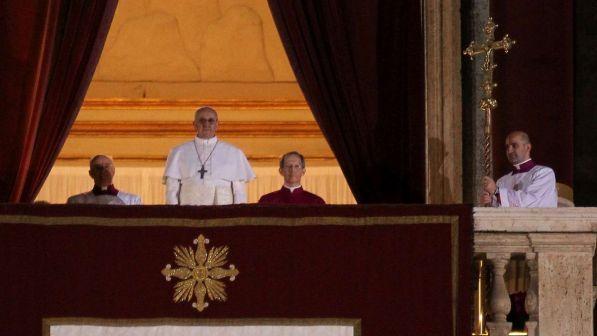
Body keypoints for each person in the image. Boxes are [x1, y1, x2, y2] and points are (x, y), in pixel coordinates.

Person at [163, 106, 255, 205]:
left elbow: (239, 193)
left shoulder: (234, 153)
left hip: (224, 214)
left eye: (211, 120)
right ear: (194, 125)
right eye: (201, 120)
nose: (206, 124)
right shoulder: (178, 152)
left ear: (217, 124)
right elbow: (172, 191)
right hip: (188, 213)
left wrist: (237, 217)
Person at [480, 131, 557, 207]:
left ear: (527, 147)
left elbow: (530, 202)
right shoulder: (502, 181)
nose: (509, 151)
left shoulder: (544, 173)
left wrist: (496, 191)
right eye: (507, 147)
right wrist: (491, 201)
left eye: (514, 145)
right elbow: (501, 208)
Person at [67, 155, 141, 205]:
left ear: (113, 171)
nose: (103, 170)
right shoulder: (76, 202)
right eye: (98, 167)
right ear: (91, 173)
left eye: (107, 166)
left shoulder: (132, 201)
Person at [258, 151, 326, 204]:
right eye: (288, 166)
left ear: (303, 171)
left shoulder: (316, 202)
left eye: (296, 166)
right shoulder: (266, 201)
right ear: (281, 171)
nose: (292, 170)